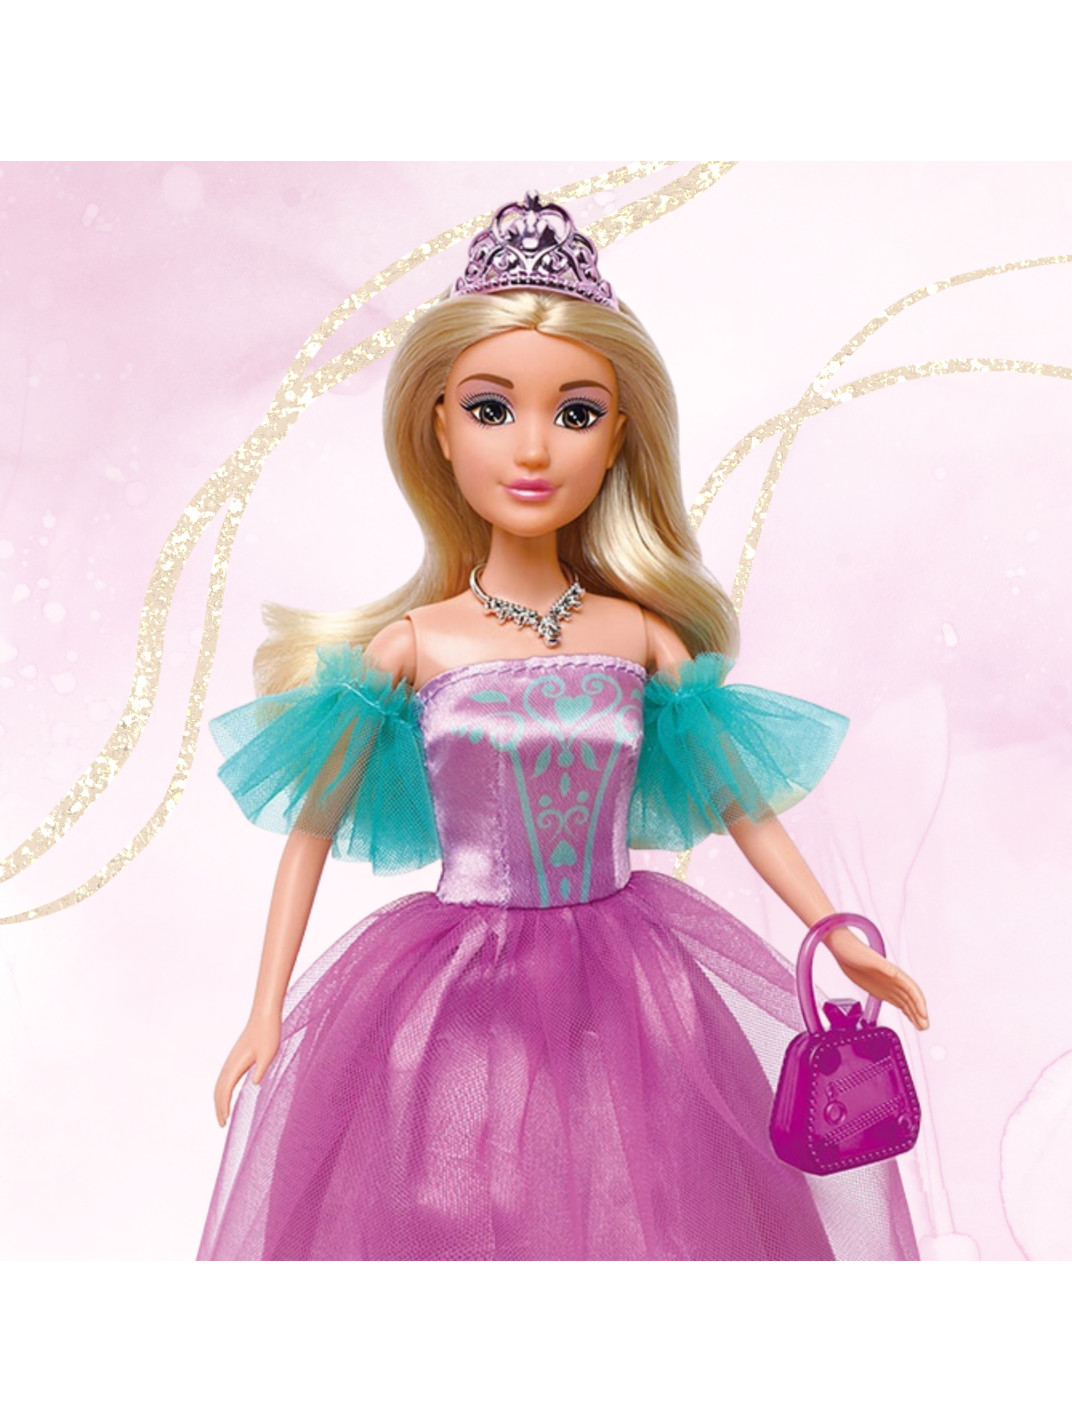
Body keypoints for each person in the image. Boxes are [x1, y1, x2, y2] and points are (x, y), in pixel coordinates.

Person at [198, 191, 929, 1261]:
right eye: (491, 409)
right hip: (458, 989)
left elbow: (743, 808)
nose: (533, 448)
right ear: (438, 426)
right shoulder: (413, 647)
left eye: (576, 413)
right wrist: (265, 1008)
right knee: (463, 1206)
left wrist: (837, 935)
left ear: (619, 434)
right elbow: (310, 831)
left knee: (649, 1209)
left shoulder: (637, 637)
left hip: (630, 987)